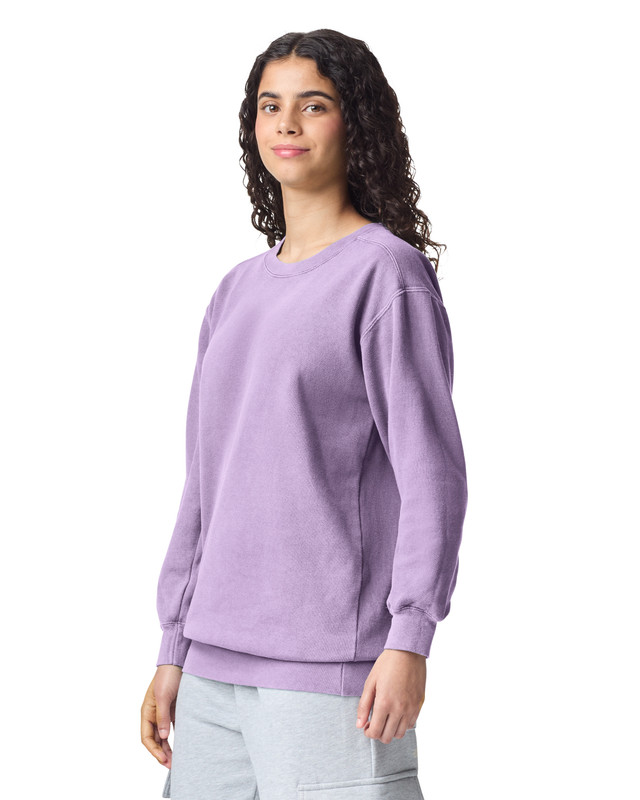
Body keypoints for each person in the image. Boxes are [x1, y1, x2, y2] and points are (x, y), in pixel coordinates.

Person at [140, 28, 468, 800]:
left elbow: (432, 477)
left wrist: (410, 638)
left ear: (356, 123)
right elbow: (205, 484)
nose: (286, 123)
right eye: (270, 106)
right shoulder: (235, 291)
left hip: (331, 675)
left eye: (313, 105)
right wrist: (173, 645)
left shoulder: (386, 276)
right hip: (211, 671)